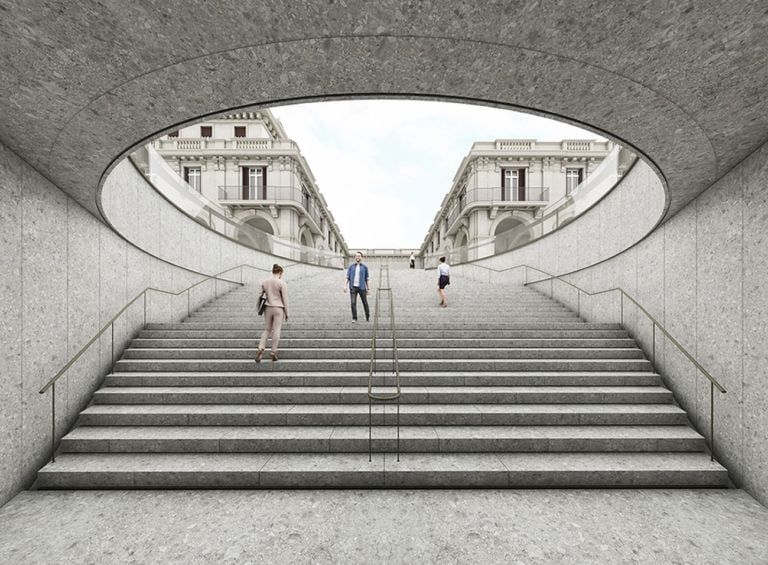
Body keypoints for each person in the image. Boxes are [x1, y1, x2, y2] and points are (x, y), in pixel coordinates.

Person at [256, 264, 288, 362]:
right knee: (277, 329)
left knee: (267, 329)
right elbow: (285, 300)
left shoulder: (264, 282)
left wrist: (258, 308)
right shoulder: (282, 283)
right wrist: (287, 313)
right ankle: (273, 351)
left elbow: (259, 295)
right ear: (280, 273)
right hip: (279, 308)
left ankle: (260, 348)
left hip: (268, 308)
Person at [344, 251, 370, 322]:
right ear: (355, 257)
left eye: (359, 256)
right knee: (353, 303)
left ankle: (367, 316)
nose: (357, 257)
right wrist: (345, 286)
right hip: (353, 287)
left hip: (362, 287)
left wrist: (368, 288)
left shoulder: (365, 267)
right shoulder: (351, 267)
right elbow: (347, 277)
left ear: (361, 257)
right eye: (356, 256)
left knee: (365, 303)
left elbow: (366, 279)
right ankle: (354, 318)